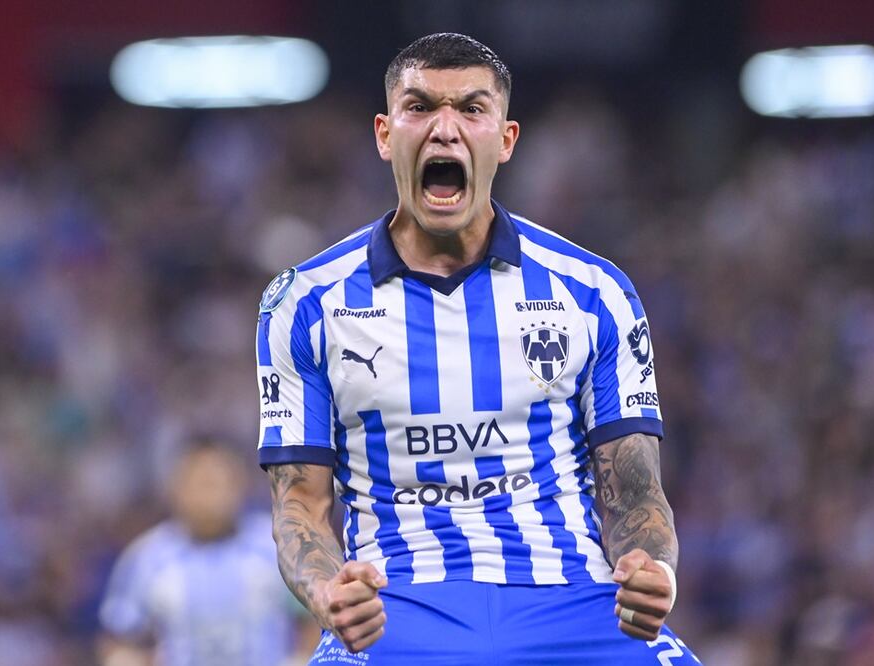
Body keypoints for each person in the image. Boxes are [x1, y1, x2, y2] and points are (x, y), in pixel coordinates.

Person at [257, 32, 700, 665]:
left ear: (506, 139)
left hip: (573, 603)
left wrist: (655, 569)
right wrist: (329, 591)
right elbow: (299, 500)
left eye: (471, 109)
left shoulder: (595, 293)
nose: (444, 130)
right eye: (420, 107)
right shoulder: (305, 303)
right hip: (396, 609)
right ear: (385, 135)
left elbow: (634, 492)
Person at [98, 436, 305, 666]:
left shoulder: (276, 545)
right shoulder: (147, 558)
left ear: (240, 483)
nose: (210, 497)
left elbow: (312, 622)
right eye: (201, 483)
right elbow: (119, 637)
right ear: (177, 489)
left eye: (218, 482)